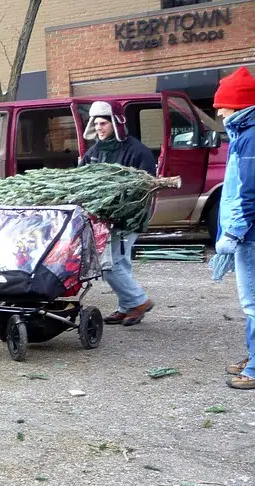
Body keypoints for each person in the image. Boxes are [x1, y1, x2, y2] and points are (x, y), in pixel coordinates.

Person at [79, 101, 158, 326]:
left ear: (115, 123)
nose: (99, 127)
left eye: (103, 123)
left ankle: (139, 301)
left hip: (128, 218)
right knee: (120, 263)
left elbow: (144, 188)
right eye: (96, 123)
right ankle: (127, 307)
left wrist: (125, 211)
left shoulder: (137, 152)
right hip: (103, 218)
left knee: (110, 265)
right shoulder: (93, 153)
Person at [211, 67, 255, 389]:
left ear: (238, 105)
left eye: (222, 104)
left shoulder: (250, 137)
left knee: (253, 302)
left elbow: (250, 193)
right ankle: (253, 355)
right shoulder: (245, 133)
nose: (218, 110)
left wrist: (234, 232)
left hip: (251, 234)